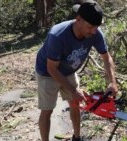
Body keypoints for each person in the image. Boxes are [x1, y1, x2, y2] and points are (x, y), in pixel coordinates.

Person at [35, 1, 118, 141]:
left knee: (75, 103)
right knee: (47, 110)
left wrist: (112, 82)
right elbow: (52, 68)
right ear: (78, 19)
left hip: (68, 70)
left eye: (96, 27)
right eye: (90, 27)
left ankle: (77, 137)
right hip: (47, 72)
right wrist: (73, 90)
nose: (93, 31)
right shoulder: (58, 35)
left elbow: (106, 57)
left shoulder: (95, 33)